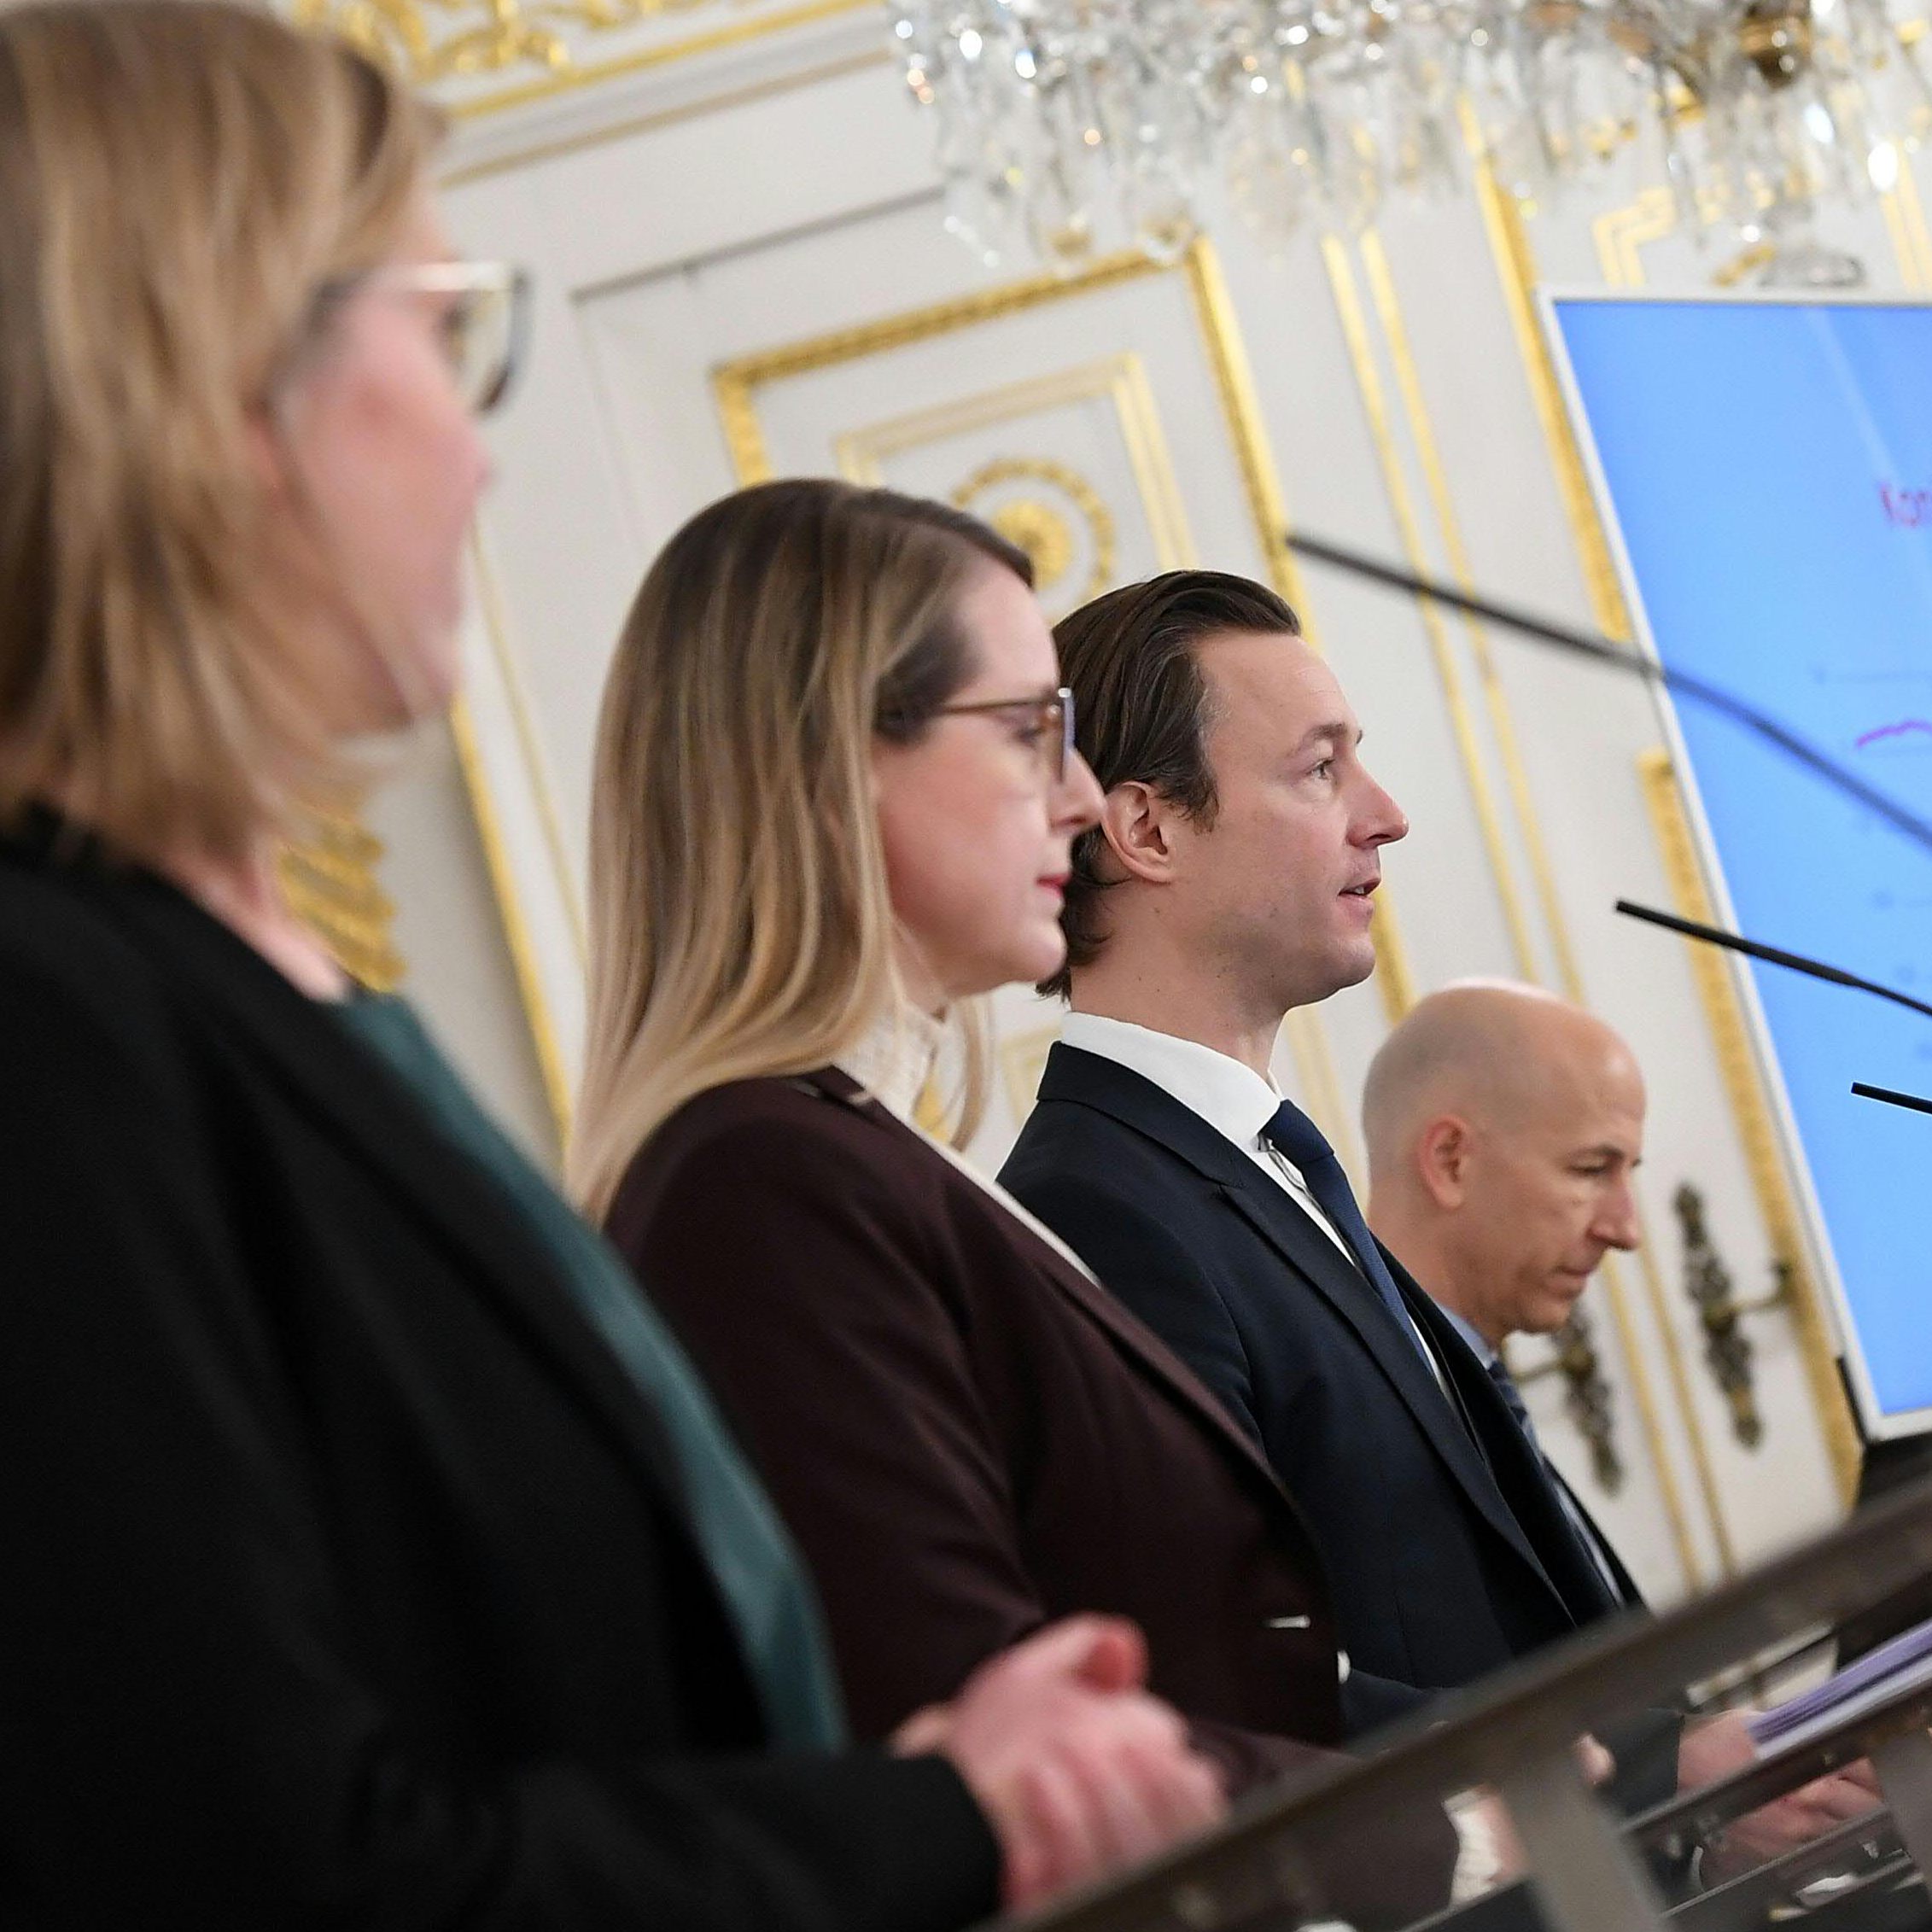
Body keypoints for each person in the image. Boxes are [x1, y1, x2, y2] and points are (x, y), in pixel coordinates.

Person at [0, 6, 1230, 1923]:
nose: (479, 455)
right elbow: (262, 1865)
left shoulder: (240, 981)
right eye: (441, 326)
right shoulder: (56, 1016)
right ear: (216, 384)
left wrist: (924, 1774)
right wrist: (937, 1819)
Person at [574, 479, 1468, 1928]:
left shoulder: (851, 1150)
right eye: (1025, 733)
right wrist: (1457, 1828)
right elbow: (986, 1737)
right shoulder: (762, 1180)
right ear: (828, 764)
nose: (1076, 798)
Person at [999, 570, 1877, 1864]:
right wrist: (1648, 1770)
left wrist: (1686, 1785)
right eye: (1320, 771)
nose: (1385, 817)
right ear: (1148, 828)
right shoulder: (1096, 1202)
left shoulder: (1264, 1165)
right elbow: (1225, 1674)